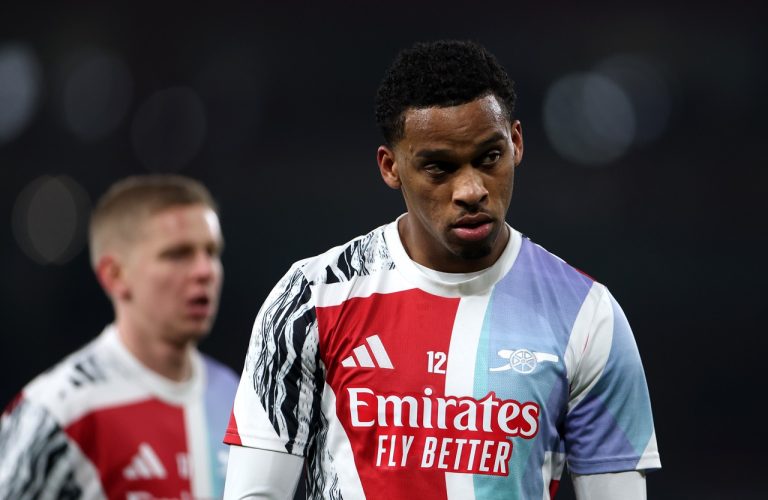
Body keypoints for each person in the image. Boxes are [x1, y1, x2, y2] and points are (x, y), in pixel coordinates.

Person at [223, 40, 661, 499]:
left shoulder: (587, 314)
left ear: (515, 143)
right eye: (439, 168)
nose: (471, 190)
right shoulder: (313, 297)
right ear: (390, 167)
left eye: (489, 158)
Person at [0, 174, 238, 499]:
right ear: (114, 275)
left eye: (211, 252)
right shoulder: (58, 410)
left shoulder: (235, 397)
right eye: (178, 254)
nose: (205, 271)